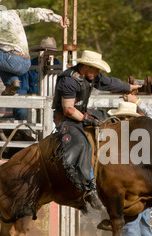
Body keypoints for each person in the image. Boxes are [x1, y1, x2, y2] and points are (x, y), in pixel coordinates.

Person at [52, 50, 141, 212]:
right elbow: (68, 110)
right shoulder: (68, 80)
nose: (98, 73)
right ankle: (89, 188)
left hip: (81, 113)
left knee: (111, 120)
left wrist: (128, 87)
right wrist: (88, 119)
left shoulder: (89, 76)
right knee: (81, 145)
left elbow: (109, 83)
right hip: (66, 120)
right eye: (96, 69)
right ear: (85, 66)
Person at [0, 0, 69, 97]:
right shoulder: (12, 14)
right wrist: (58, 18)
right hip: (25, 63)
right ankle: (11, 82)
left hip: (12, 61)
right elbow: (35, 13)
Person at [106, 94, 152, 236]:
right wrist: (136, 102)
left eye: (128, 117)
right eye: (123, 117)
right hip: (143, 187)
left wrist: (136, 101)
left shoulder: (120, 135)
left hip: (132, 189)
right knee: (142, 226)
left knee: (131, 226)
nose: (126, 120)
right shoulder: (140, 133)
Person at [14, 37, 61, 120]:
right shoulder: (29, 65)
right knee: (22, 112)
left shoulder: (58, 66)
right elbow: (22, 90)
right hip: (31, 101)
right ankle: (26, 131)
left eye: (52, 53)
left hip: (52, 102)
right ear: (40, 52)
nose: (49, 56)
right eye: (46, 53)